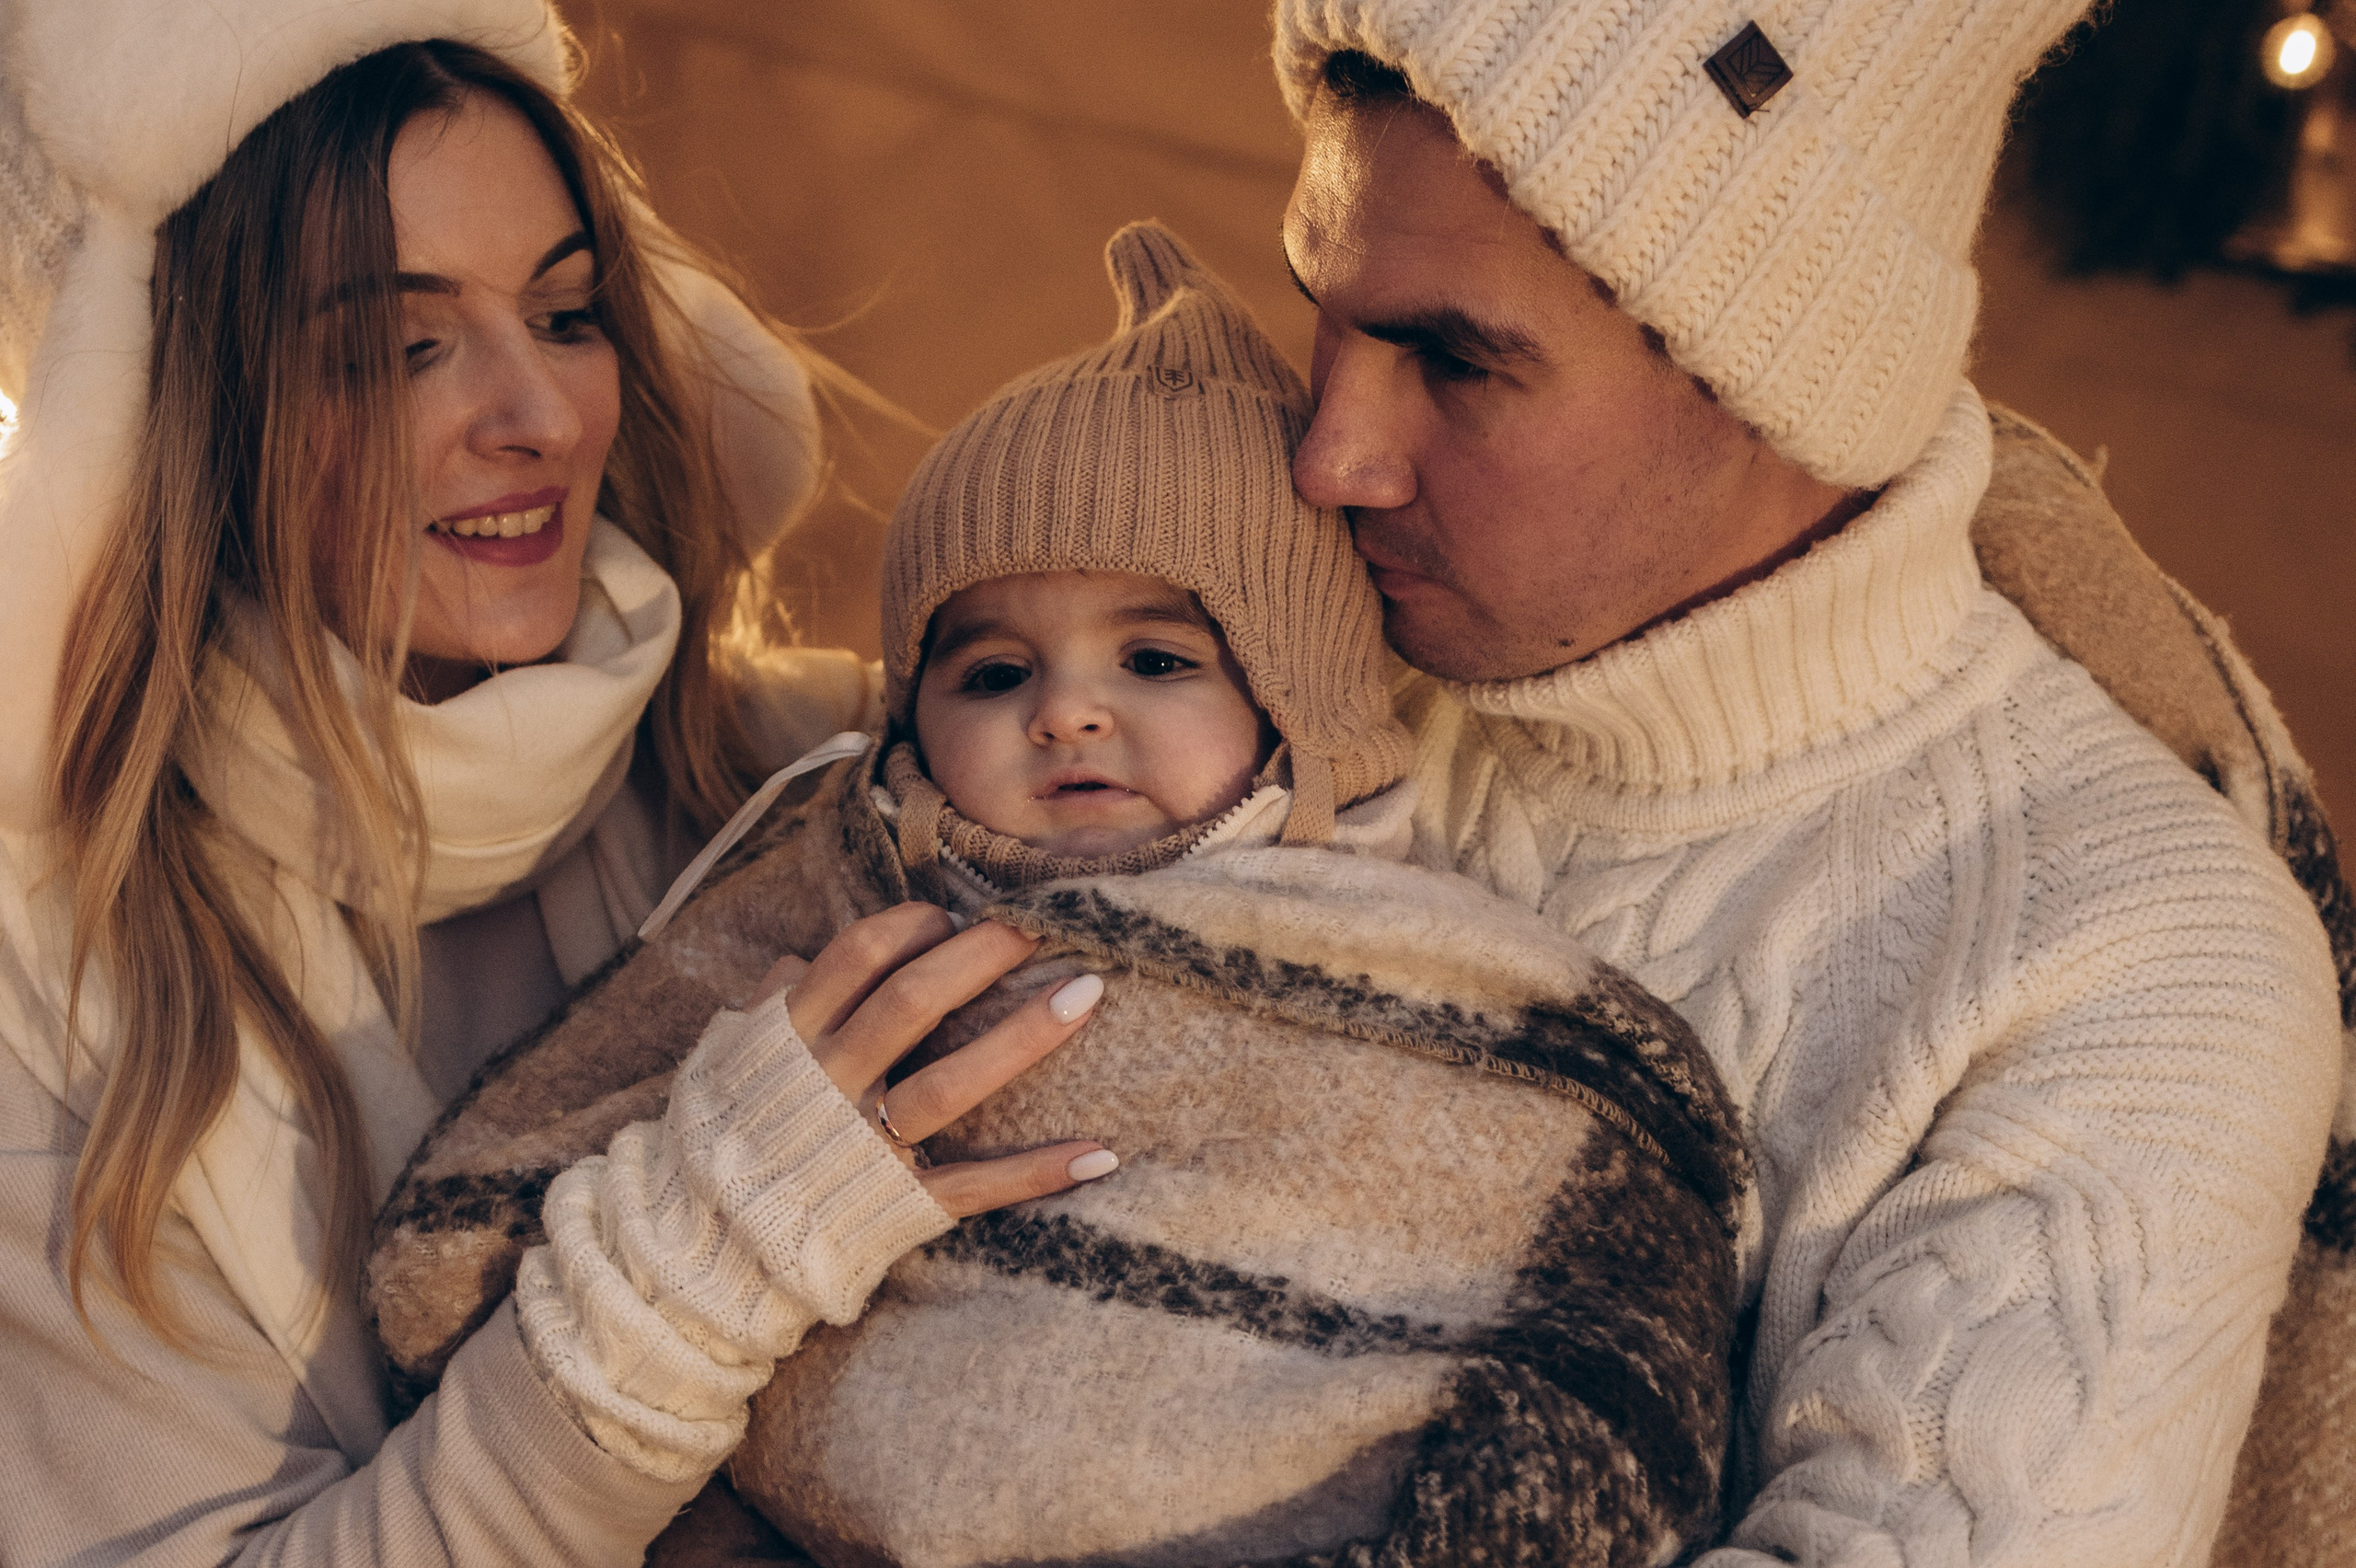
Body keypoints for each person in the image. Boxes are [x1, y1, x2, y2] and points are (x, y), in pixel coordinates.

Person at [370, 221, 1752, 1568]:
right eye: (992, 674)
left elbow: (1576, 1246)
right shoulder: (839, 897)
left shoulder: (1419, 970)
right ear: (911, 721)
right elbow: (513, 1199)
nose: (1068, 715)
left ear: (1301, 705)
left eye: (1155, 662)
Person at [0, 4, 1114, 1562]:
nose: (536, 418)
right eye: (400, 348)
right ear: (180, 419)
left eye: (568, 312)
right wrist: (680, 1283)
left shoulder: (823, 778)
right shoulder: (52, 995)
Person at [1265, 6, 2352, 1565]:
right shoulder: (1228, 641)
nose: (1331, 455)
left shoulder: (2143, 958)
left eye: (1452, 359)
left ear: (1769, 378)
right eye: (1326, 311)